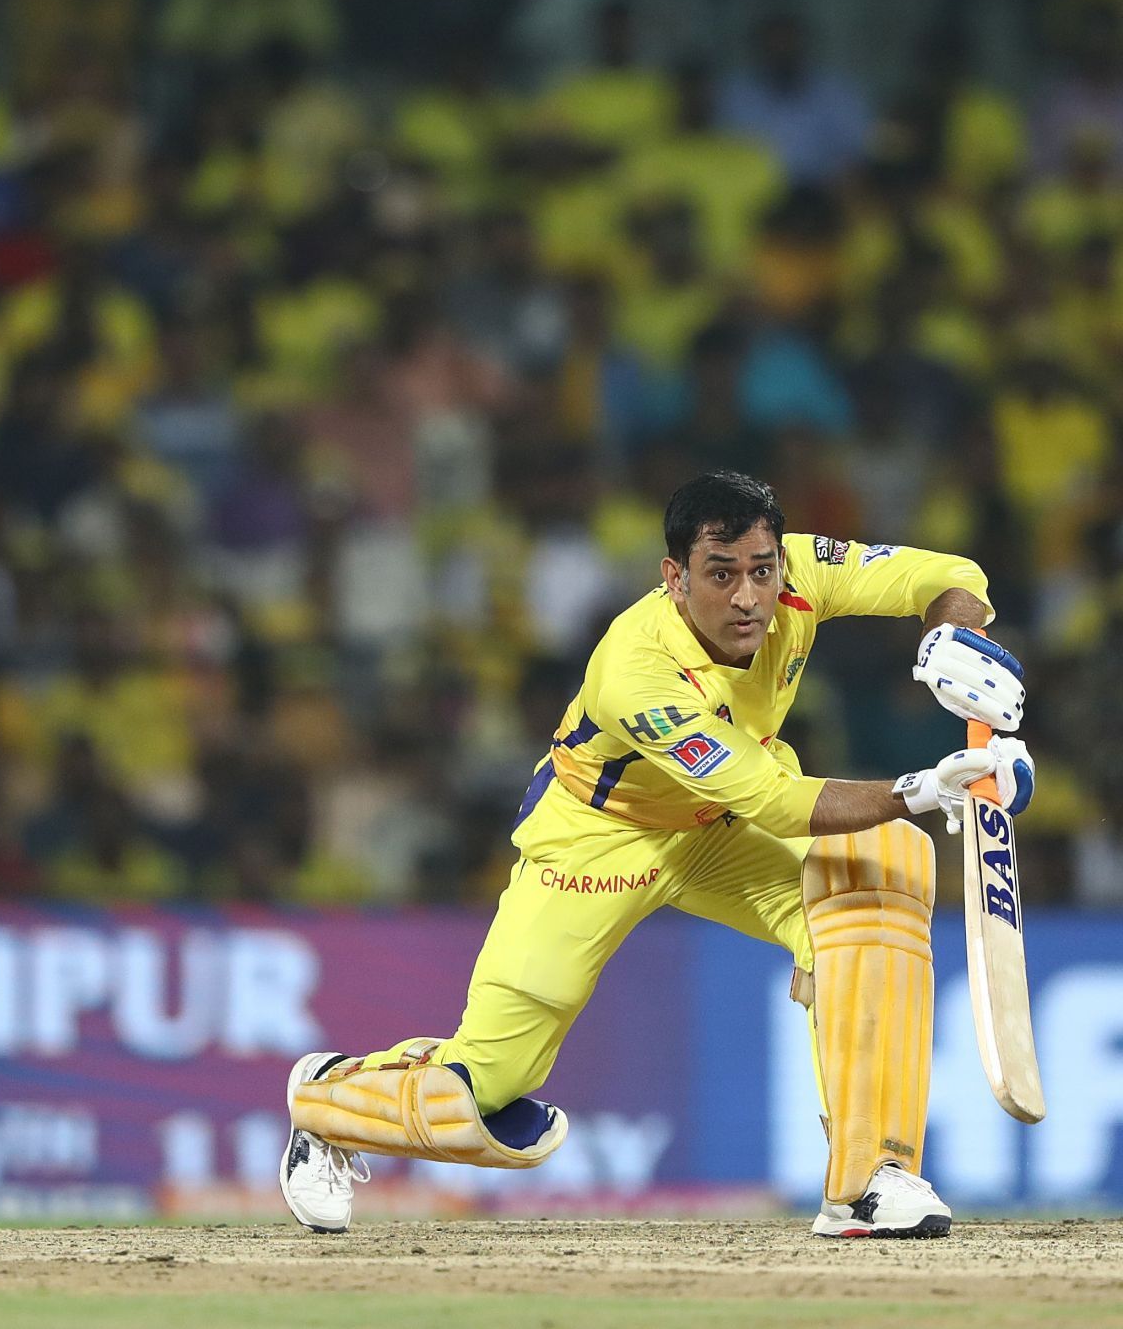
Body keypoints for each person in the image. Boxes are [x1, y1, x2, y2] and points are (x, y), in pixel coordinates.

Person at [279, 471, 1033, 1239]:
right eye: (721, 575)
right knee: (476, 1098)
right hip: (600, 839)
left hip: (719, 829)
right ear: (674, 577)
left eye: (761, 572)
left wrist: (954, 637)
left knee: (880, 869)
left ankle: (869, 1178)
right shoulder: (635, 670)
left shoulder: (800, 569)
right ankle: (327, 1101)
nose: (748, 598)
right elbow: (774, 800)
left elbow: (951, 576)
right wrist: (929, 788)